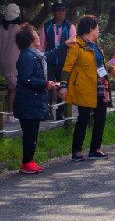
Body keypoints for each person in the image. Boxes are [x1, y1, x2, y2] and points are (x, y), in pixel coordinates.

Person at [14, 23, 75, 173]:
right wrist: (45, 84)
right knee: (30, 134)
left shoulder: (34, 54)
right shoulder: (28, 57)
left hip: (32, 101)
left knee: (33, 133)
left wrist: (64, 45)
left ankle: (28, 161)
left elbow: (49, 55)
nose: (37, 36)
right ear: (29, 39)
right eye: (34, 33)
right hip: (27, 102)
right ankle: (26, 163)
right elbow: (26, 79)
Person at [59, 15, 115, 161]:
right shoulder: (77, 45)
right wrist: (63, 86)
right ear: (90, 29)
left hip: (101, 88)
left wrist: (113, 69)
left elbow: (101, 66)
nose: (98, 31)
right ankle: (76, 151)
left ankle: (95, 149)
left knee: (101, 118)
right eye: (97, 28)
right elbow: (67, 67)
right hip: (84, 88)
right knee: (83, 119)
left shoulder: (95, 46)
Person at [39, 3, 75, 120]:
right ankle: (48, 112)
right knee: (48, 86)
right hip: (49, 62)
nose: (62, 13)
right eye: (59, 11)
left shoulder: (70, 27)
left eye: (63, 11)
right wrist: (40, 61)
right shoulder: (46, 26)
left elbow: (73, 47)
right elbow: (41, 46)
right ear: (53, 13)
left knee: (62, 86)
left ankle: (61, 113)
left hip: (64, 63)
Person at [0, 4, 22, 121]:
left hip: (3, 63)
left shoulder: (1, 29)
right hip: (15, 62)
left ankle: (10, 113)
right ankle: (12, 114)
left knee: (10, 88)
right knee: (16, 89)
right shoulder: (18, 29)